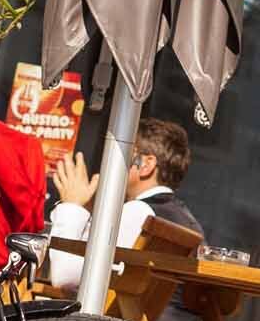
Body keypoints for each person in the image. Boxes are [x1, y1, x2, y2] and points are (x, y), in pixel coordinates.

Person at [46, 118, 203, 289]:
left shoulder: (139, 212)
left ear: (145, 165)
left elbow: (64, 276)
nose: (110, 162)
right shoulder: (189, 221)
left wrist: (72, 206)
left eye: (121, 154)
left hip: (129, 315)